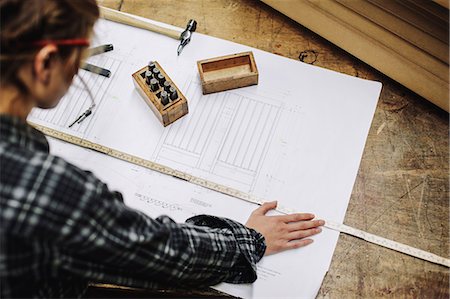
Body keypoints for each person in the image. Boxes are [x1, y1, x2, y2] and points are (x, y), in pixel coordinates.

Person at [0, 0, 324, 297]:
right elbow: (161, 252)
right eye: (79, 56)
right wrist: (248, 240)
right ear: (45, 65)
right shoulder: (49, 191)